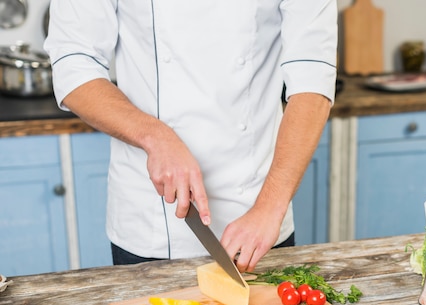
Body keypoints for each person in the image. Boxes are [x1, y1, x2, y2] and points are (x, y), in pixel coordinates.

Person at [44, 1, 337, 272]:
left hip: (260, 215)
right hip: (152, 221)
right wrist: (155, 136)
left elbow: (313, 78)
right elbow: (74, 64)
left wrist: (270, 207)